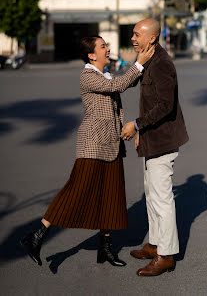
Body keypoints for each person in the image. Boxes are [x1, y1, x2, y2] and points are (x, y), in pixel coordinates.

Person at [20, 36, 154, 268]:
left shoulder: (106, 75)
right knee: (76, 189)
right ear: (92, 55)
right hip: (92, 143)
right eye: (103, 47)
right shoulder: (88, 76)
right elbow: (117, 86)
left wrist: (143, 64)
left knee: (110, 195)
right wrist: (139, 64)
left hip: (111, 142)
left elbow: (123, 82)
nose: (108, 49)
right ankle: (36, 235)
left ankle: (106, 247)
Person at [121, 19, 189, 276]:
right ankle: (155, 243)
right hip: (151, 139)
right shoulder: (149, 59)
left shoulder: (162, 63)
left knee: (162, 200)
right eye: (133, 34)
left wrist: (137, 126)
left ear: (152, 38)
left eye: (137, 35)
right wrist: (143, 131)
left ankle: (166, 255)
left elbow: (165, 105)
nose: (133, 39)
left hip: (162, 141)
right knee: (151, 195)